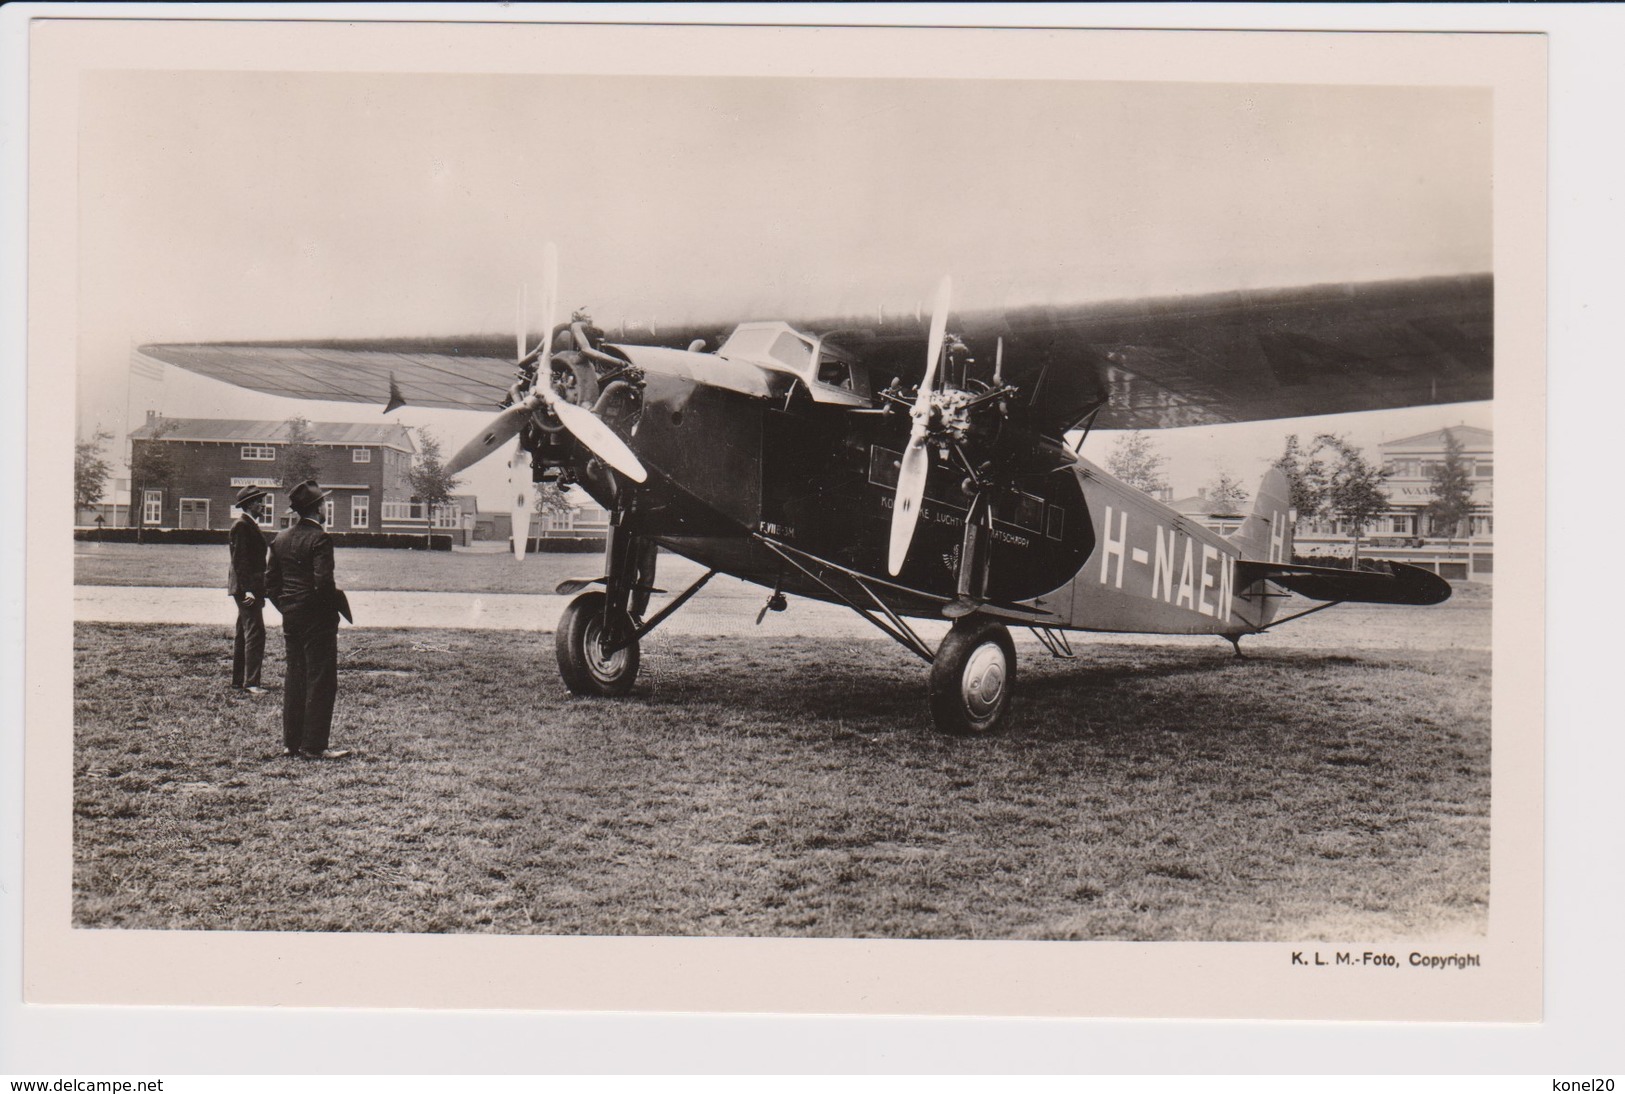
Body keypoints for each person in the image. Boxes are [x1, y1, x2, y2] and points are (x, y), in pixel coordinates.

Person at [266, 480, 352, 760]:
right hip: (317, 618)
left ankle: (291, 743)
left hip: (291, 616)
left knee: (295, 676)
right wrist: (324, 613)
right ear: (317, 509)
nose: (327, 506)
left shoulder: (280, 538)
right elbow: (324, 583)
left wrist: (289, 608)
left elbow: (271, 585)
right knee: (321, 678)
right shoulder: (321, 539)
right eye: (324, 502)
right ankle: (314, 745)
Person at [227, 486, 270, 694]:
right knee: (255, 632)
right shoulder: (242, 526)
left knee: (244, 633)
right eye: (259, 501)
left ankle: (238, 680)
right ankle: (252, 683)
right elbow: (240, 561)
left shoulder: (248, 524)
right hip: (247, 589)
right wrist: (249, 590)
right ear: (250, 504)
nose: (263, 505)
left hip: (247, 588)